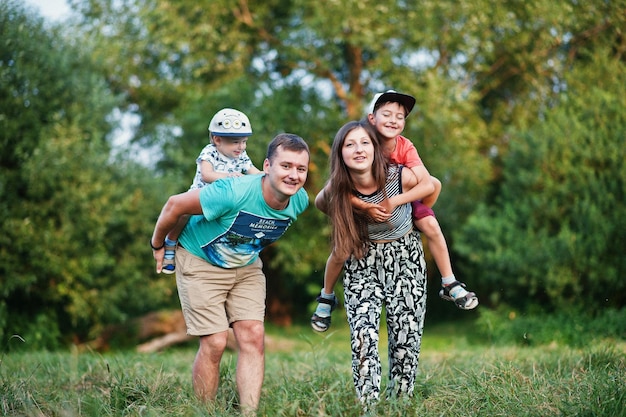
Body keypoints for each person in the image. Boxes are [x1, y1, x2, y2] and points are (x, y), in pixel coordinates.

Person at [150, 133, 310, 415]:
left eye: (301, 169)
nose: (294, 175)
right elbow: (175, 205)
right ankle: (205, 412)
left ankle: (248, 413)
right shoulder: (233, 191)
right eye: (286, 166)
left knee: (253, 335)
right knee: (215, 341)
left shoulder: (299, 202)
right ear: (267, 166)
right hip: (200, 259)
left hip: (246, 267)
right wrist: (158, 243)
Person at [311, 90, 478, 332]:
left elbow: (429, 184)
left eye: (400, 116)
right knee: (341, 248)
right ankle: (326, 296)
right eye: (386, 114)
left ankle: (449, 282)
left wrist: (396, 204)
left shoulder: (404, 147)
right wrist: (364, 207)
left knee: (430, 223)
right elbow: (333, 193)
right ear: (371, 118)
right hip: (363, 205)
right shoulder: (363, 144)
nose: (393, 120)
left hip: (399, 201)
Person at [315, 120, 427, 405]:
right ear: (340, 154)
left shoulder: (399, 176)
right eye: (349, 144)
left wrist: (419, 213)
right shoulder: (339, 187)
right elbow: (320, 202)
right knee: (363, 339)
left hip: (406, 260)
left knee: (406, 340)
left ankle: (400, 404)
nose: (358, 149)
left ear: (376, 149)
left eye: (365, 142)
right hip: (362, 262)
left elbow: (431, 189)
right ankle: (369, 407)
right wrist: (359, 204)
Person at [161, 108, 262, 274]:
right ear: (217, 139)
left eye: (244, 141)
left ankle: (230, 253)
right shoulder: (210, 152)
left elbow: (255, 173)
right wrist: (229, 176)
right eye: (236, 142)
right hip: (202, 195)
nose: (241, 147)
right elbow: (207, 175)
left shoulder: (242, 155)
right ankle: (171, 243)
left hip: (226, 199)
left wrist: (271, 177)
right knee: (184, 214)